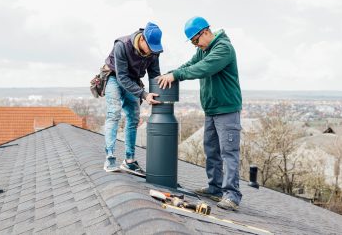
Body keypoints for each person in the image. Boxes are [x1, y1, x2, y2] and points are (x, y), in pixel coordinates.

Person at [158, 16, 242, 211]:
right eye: (193, 43)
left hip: (227, 110)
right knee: (211, 150)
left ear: (205, 32)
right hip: (211, 110)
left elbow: (202, 69)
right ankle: (215, 189)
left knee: (229, 153)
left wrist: (176, 75)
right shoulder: (203, 50)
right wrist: (170, 73)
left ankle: (232, 195)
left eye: (196, 40)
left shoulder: (223, 48)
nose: (195, 45)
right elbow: (189, 65)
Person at [103, 22, 162, 177]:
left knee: (134, 117)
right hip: (114, 77)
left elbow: (154, 75)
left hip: (133, 79)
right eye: (150, 47)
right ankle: (110, 158)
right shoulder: (122, 45)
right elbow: (122, 77)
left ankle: (129, 161)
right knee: (114, 113)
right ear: (142, 40)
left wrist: (158, 93)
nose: (152, 52)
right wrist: (143, 94)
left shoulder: (154, 52)